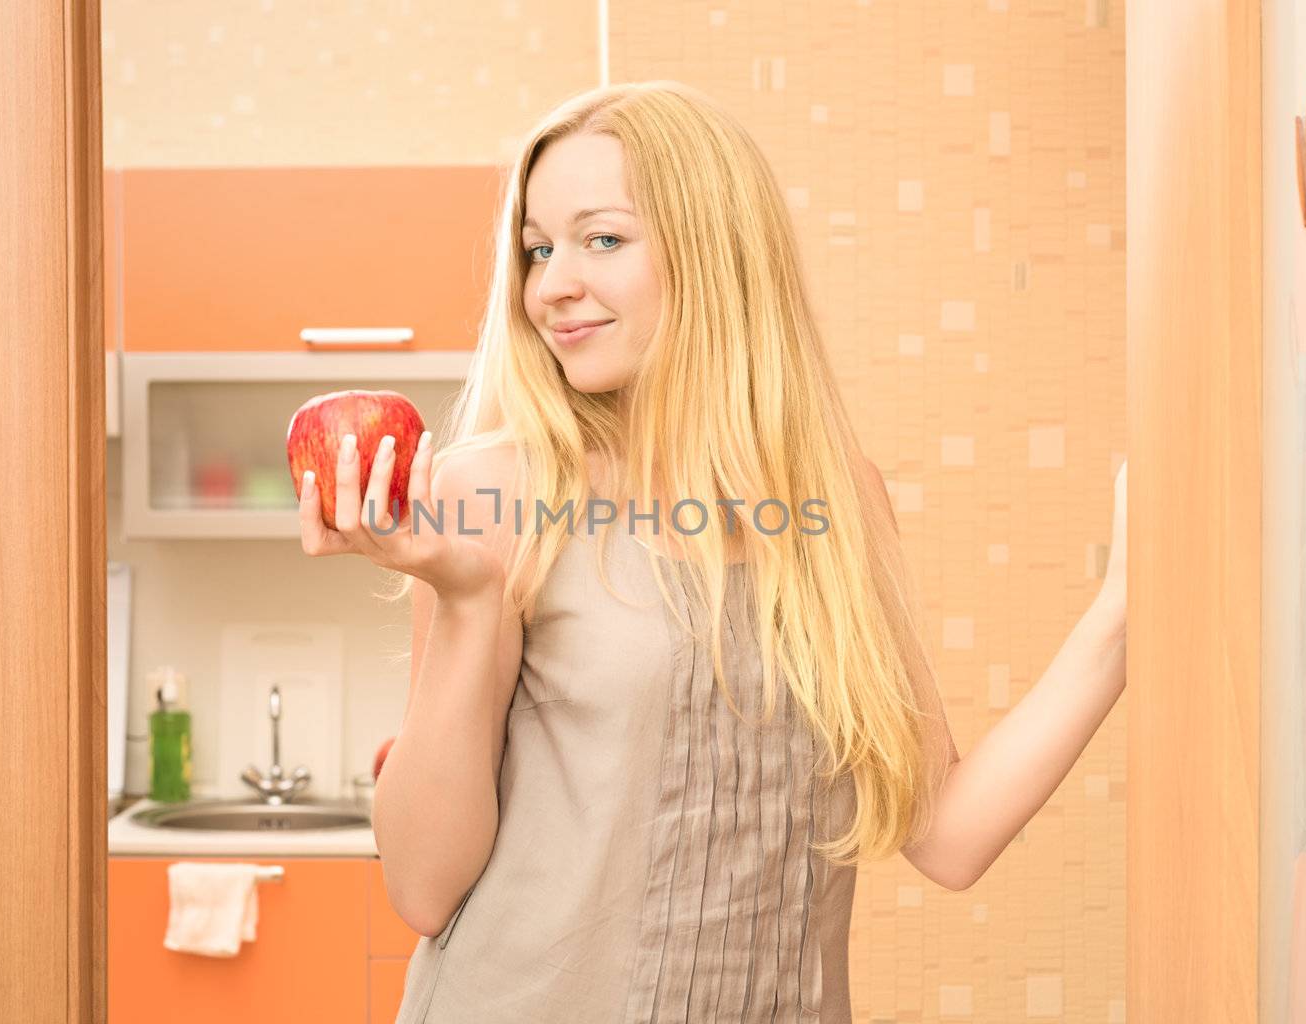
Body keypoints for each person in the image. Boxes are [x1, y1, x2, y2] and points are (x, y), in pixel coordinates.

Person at [296, 80, 1129, 1023]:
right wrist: (468, 600)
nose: (551, 285)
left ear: (712, 253)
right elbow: (421, 887)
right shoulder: (491, 493)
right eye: (537, 249)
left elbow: (948, 833)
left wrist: (1122, 616)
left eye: (601, 239)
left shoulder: (834, 499)